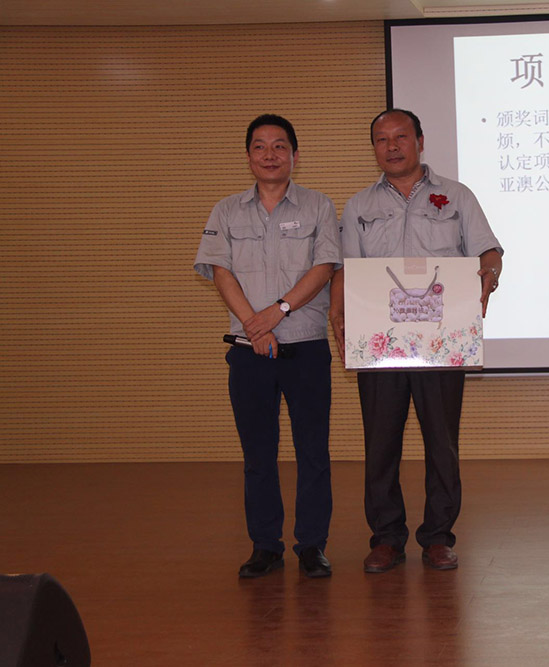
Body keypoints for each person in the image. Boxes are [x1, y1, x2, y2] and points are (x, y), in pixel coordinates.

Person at [331, 109, 503, 573]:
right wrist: (337, 309)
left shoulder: (457, 196)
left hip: (441, 345)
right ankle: (386, 538)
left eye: (400, 137)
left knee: (441, 443)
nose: (391, 146)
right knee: (380, 444)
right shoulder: (358, 206)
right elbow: (347, 269)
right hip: (380, 344)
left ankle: (438, 537)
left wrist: (490, 272)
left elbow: (488, 249)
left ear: (420, 141)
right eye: (381, 139)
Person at [194, 114, 342, 578]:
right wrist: (255, 328)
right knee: (258, 454)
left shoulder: (319, 206)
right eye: (260, 146)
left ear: (295, 155)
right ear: (248, 157)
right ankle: (265, 546)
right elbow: (220, 272)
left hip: (306, 347)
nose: (270, 155)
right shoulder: (226, 211)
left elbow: (324, 268)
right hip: (248, 350)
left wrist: (277, 312)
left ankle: (312, 546)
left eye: (280, 146)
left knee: (313, 452)